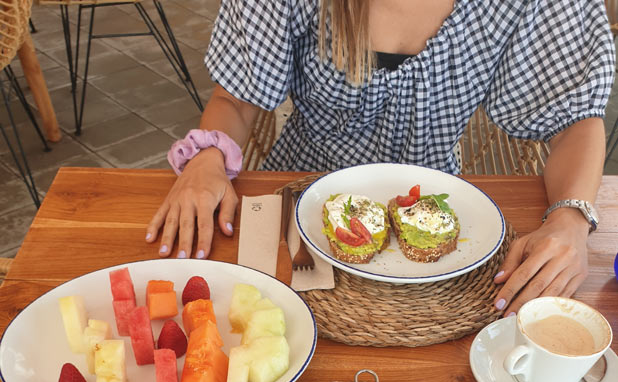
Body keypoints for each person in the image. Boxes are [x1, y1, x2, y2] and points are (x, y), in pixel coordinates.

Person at [145, 0, 615, 314]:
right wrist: (206, 159)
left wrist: (571, 219)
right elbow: (237, 98)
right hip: (297, 212)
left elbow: (575, 118)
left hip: (430, 216)